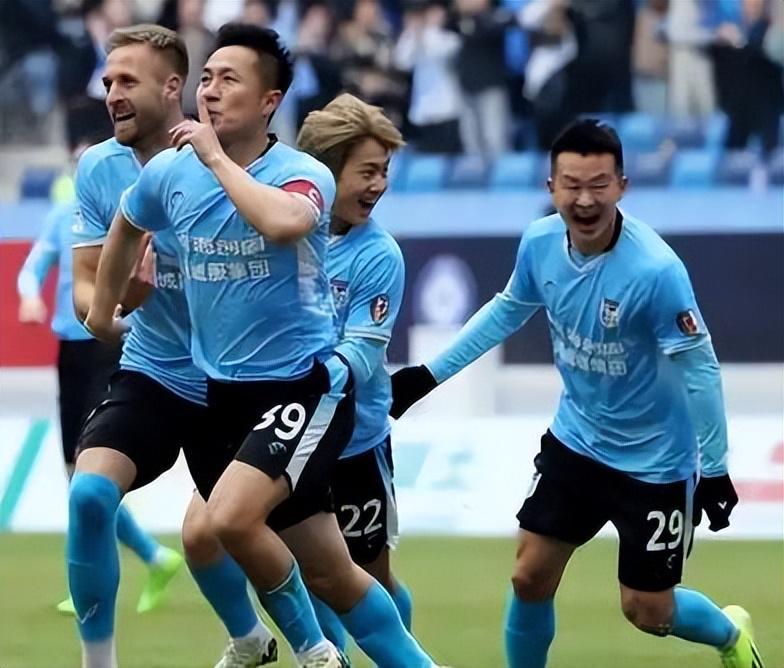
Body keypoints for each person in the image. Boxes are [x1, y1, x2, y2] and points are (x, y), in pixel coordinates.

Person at [85, 23, 440, 668]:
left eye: (229, 80)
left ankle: (313, 652)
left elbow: (283, 224)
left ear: (270, 101)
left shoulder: (303, 175)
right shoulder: (169, 173)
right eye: (207, 78)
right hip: (220, 400)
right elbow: (127, 223)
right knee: (334, 574)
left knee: (226, 521)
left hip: (301, 389)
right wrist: (102, 313)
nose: (210, 91)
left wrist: (216, 161)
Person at [389, 119, 765, 668]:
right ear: (552, 187)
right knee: (529, 576)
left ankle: (730, 634)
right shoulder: (540, 244)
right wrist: (427, 375)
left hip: (655, 462)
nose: (585, 200)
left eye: (598, 185)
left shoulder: (657, 271)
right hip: (577, 441)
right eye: (572, 185)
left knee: (647, 610)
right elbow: (506, 311)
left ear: (622, 187)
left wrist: (715, 468)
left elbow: (700, 369)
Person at [68, 24, 276, 668]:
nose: (112, 94)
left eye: (127, 81)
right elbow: (86, 292)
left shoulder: (229, 162)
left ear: (172, 88)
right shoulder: (99, 168)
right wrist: (116, 304)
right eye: (108, 82)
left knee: (232, 539)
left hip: (238, 380)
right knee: (88, 495)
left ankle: (267, 641)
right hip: (154, 368)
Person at [16, 173, 179, 618]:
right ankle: (154, 557)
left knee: (90, 469)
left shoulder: (127, 212)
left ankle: (105, 576)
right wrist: (29, 298)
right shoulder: (65, 216)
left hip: (107, 343)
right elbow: (33, 268)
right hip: (72, 348)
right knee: (76, 471)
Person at [296, 93, 412, 648]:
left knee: (368, 580)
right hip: (290, 437)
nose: (379, 185)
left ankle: (406, 653)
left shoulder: (379, 255)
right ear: (325, 170)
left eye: (383, 171)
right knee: (303, 573)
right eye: (367, 172)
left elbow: (363, 355)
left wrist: (302, 379)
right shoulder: (284, 231)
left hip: (354, 443)